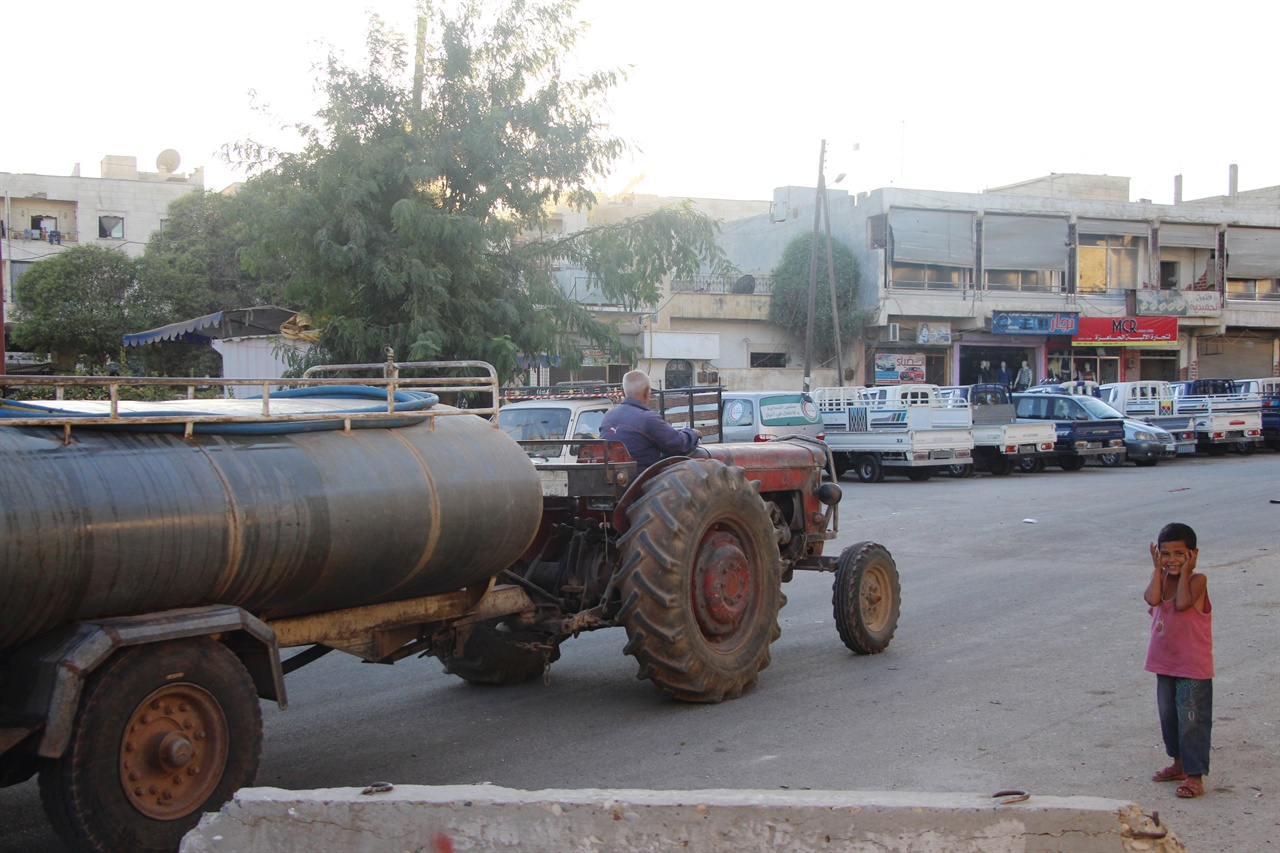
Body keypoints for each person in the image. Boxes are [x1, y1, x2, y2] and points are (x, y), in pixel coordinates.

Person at [1142, 522, 1213, 799]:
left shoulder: (1197, 580)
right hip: (1165, 664)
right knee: (1169, 716)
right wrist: (1157, 570)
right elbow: (1151, 598)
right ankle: (1179, 763)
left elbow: (1183, 603)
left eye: (1179, 554)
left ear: (1193, 555)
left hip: (1193, 667)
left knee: (1192, 718)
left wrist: (1186, 572)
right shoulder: (1161, 579)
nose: (1172, 560)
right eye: (1165, 553)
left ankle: (1195, 776)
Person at [599, 370, 701, 473]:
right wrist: (693, 433)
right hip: (640, 480)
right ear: (647, 391)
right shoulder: (648, 419)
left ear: (622, 391)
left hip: (613, 477)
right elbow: (678, 444)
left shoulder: (609, 415)